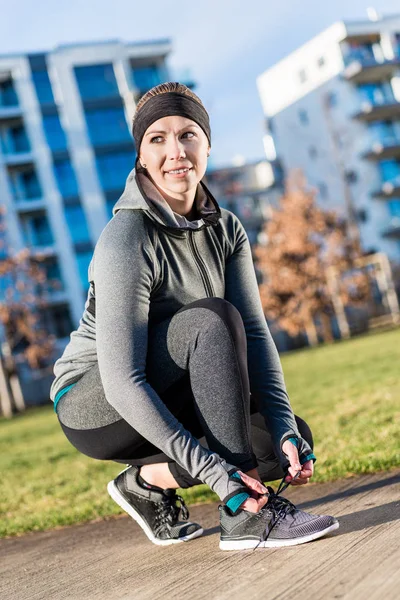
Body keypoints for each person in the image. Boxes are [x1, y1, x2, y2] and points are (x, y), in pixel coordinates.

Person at [50, 82, 338, 550]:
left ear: (207, 145)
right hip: (95, 401)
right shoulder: (127, 238)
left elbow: (254, 335)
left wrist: (283, 425)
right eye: (157, 139)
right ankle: (243, 519)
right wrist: (220, 477)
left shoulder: (226, 229)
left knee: (277, 446)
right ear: (141, 156)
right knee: (208, 319)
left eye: (188, 135)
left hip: (169, 383)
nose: (176, 151)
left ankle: (146, 482)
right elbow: (123, 379)